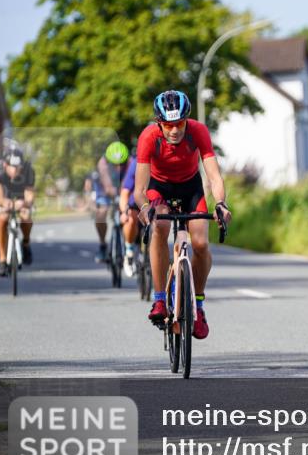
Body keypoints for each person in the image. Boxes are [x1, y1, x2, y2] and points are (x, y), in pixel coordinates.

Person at [134, 90, 232, 340]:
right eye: (168, 125)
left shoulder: (198, 131)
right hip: (160, 188)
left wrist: (221, 203)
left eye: (179, 124)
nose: (174, 130)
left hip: (191, 188)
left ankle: (198, 306)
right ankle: (158, 299)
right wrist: (145, 207)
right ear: (159, 123)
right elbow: (140, 190)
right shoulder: (148, 137)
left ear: (186, 120)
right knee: (160, 227)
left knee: (200, 242)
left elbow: (214, 176)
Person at [0, 146, 36, 276]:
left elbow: (30, 195)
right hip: (5, 198)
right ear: (5, 164)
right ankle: (2, 259)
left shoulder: (28, 170)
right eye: (12, 167)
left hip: (21, 198)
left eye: (18, 167)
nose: (15, 171)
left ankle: (26, 243)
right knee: (2, 218)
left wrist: (25, 203)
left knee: (26, 217)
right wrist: (5, 203)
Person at [88, 142, 130, 262]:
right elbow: (107, 185)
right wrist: (112, 192)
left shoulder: (130, 162)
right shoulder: (102, 163)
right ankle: (102, 245)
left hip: (121, 188)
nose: (118, 167)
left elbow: (130, 181)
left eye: (121, 164)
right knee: (101, 213)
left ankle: (131, 242)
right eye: (114, 164)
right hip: (104, 190)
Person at [117, 153, 142, 277]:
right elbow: (125, 192)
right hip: (136, 201)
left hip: (155, 200)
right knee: (130, 217)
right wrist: (123, 212)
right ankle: (129, 251)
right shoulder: (136, 163)